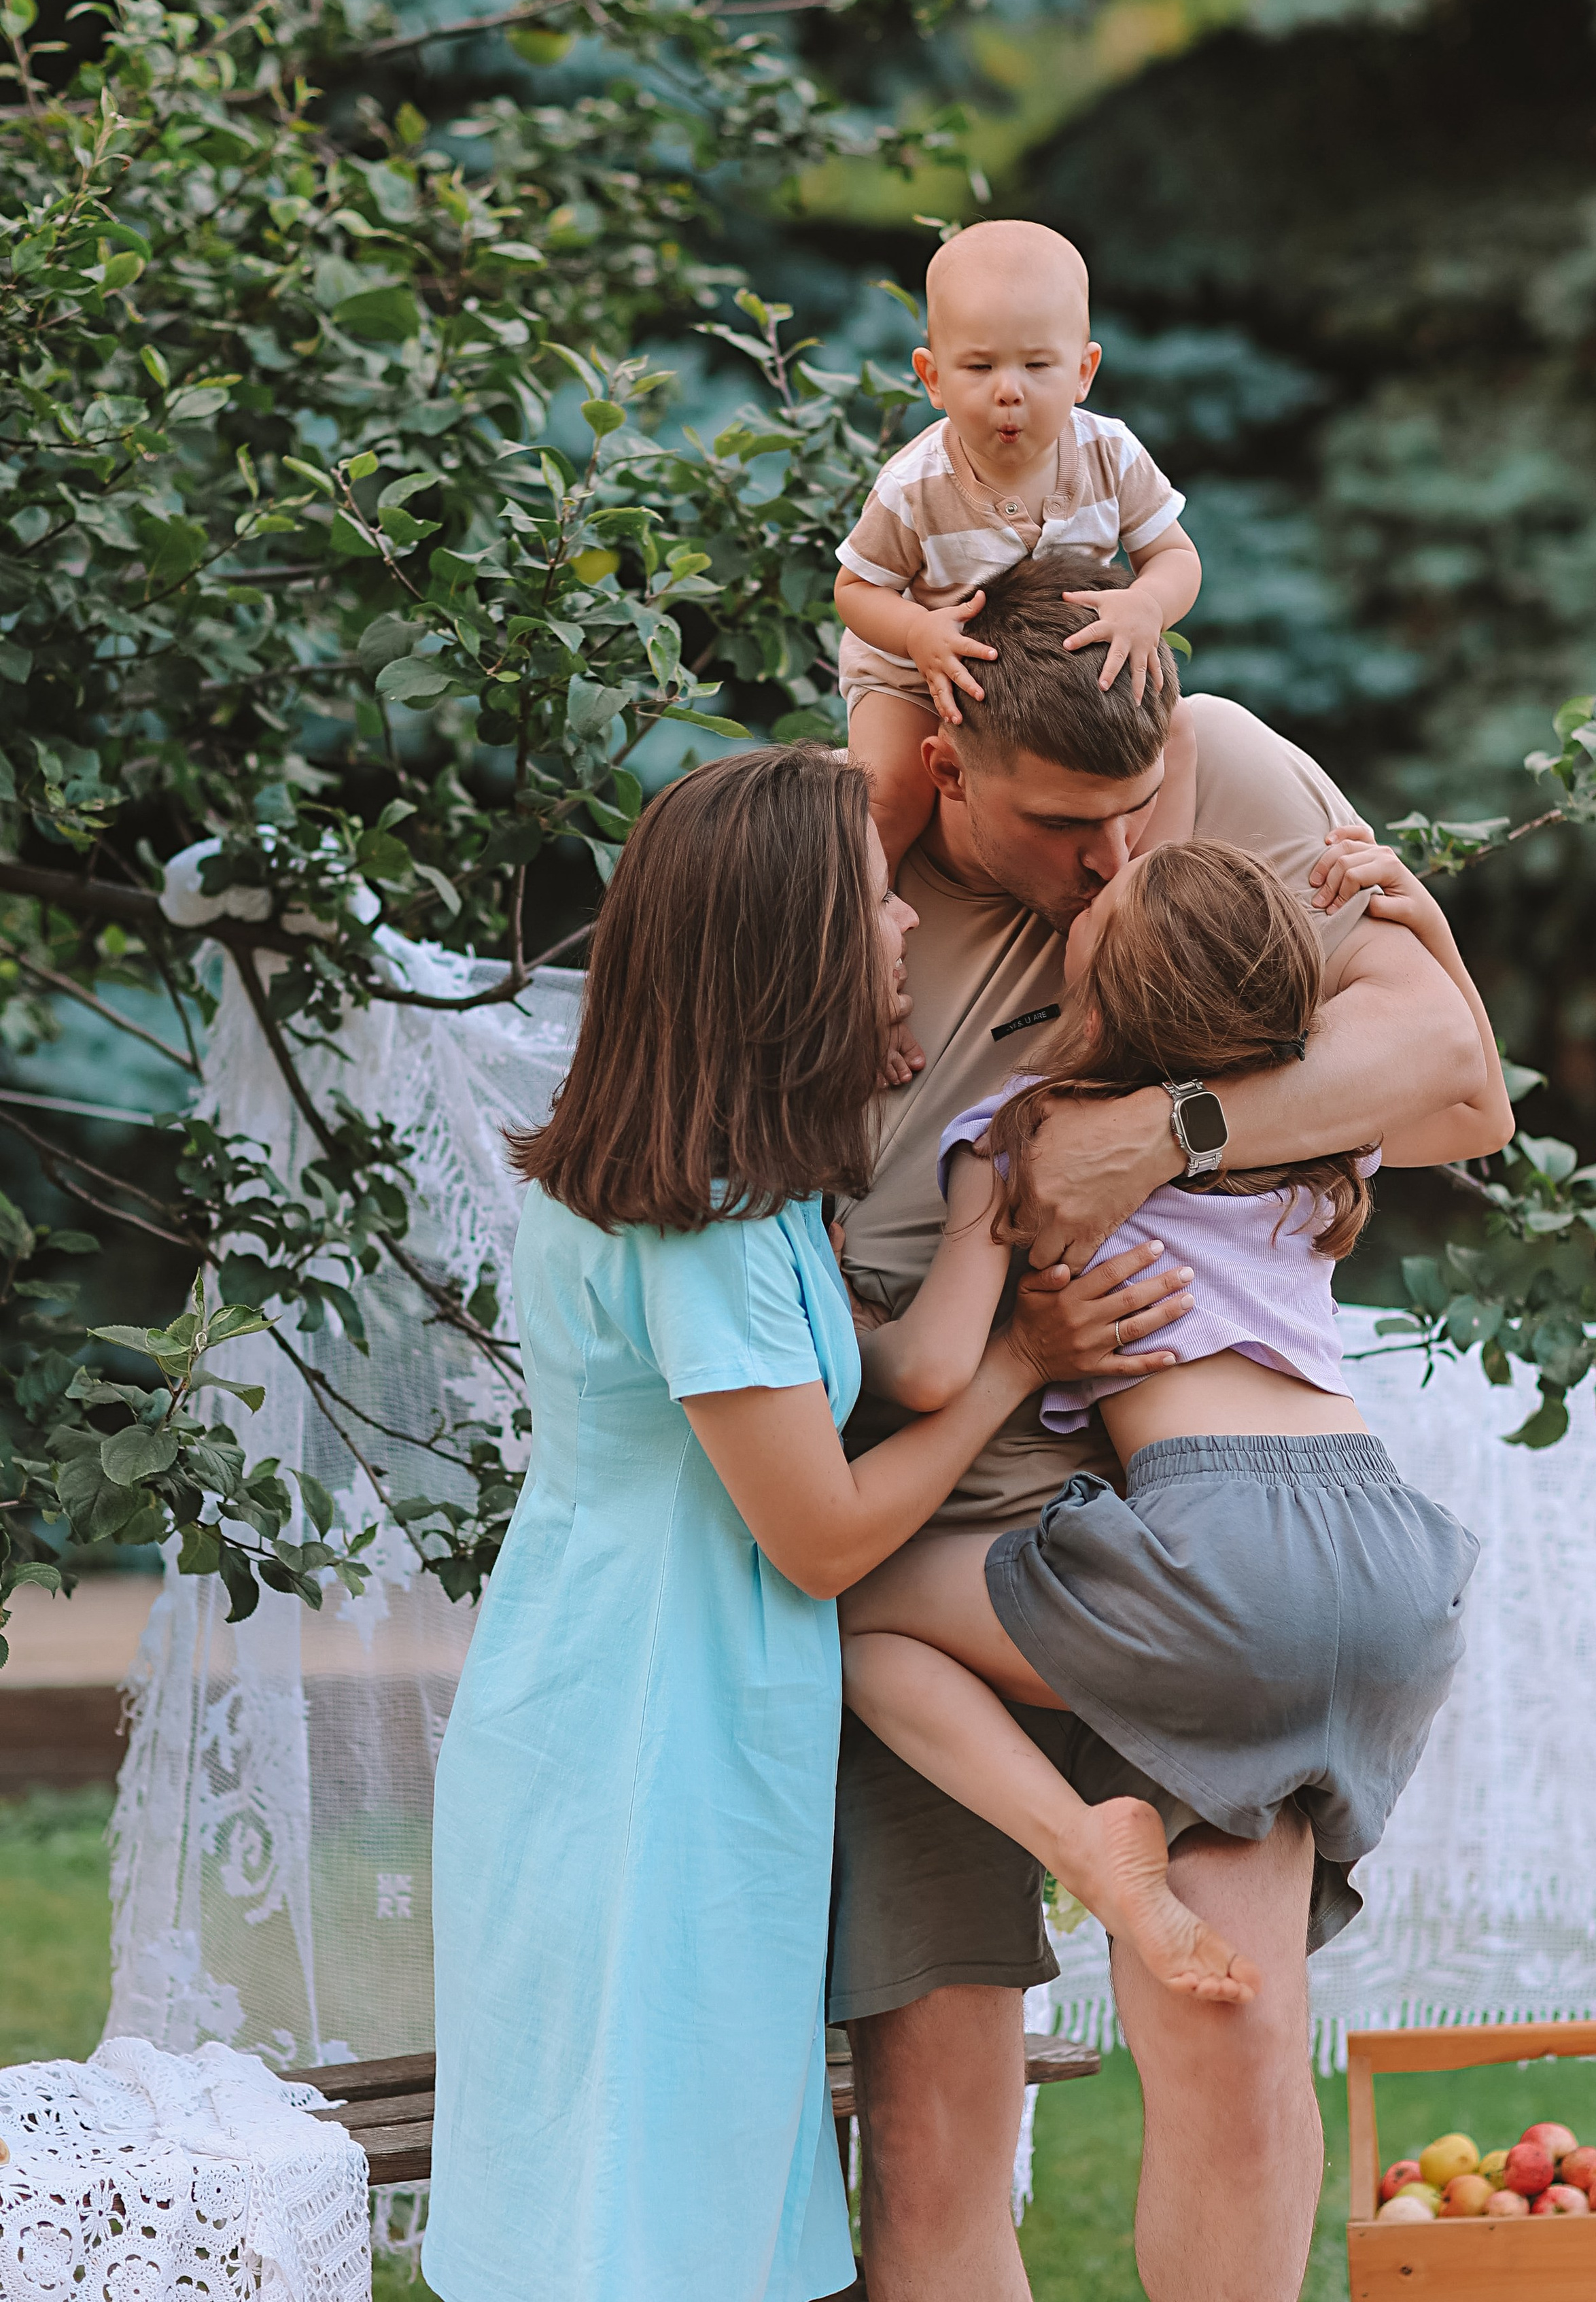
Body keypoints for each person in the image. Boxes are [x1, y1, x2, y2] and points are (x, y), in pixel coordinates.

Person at [421, 746, 1196, 2302]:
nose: (903, 922)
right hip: (641, 1733)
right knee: (643, 2211)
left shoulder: (756, 1195)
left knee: (685, 2180)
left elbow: (886, 1371)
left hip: (689, 1710)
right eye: (873, 898)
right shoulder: (699, 1219)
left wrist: (995, 1227)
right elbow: (824, 1537)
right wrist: (1021, 1370)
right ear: (788, 942)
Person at [827, 551, 1516, 2302]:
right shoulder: (830, 878)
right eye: (1068, 825)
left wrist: (1164, 1130)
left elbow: (1456, 1079)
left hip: (1168, 1548)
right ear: (945, 766)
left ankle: (1096, 1858)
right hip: (1282, 1547)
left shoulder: (1195, 801)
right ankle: (1083, 1853)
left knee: (1228, 2030)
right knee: (932, 2129)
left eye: (1137, 812)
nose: (1117, 855)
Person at [837, 836, 1492, 2035]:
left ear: (1098, 995)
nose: (1108, 868)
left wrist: (832, 1330)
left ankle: (1083, 1845)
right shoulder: (1315, 1137)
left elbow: (929, 1370)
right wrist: (1429, 926)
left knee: (853, 1613)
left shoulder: (1032, 1136)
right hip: (1398, 1570)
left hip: (1223, 1561)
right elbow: (1482, 1107)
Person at [833, 219, 1202, 883]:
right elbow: (857, 590)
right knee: (889, 791)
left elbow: (1174, 555)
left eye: (1036, 365)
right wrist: (917, 633)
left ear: (1083, 371)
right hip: (924, 670)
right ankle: (858, 915)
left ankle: (1147, 896)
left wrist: (1147, 604)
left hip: (1052, 680)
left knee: (1171, 737)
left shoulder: (1111, 454)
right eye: (979, 367)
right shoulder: (913, 486)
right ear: (933, 378)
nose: (1009, 389)